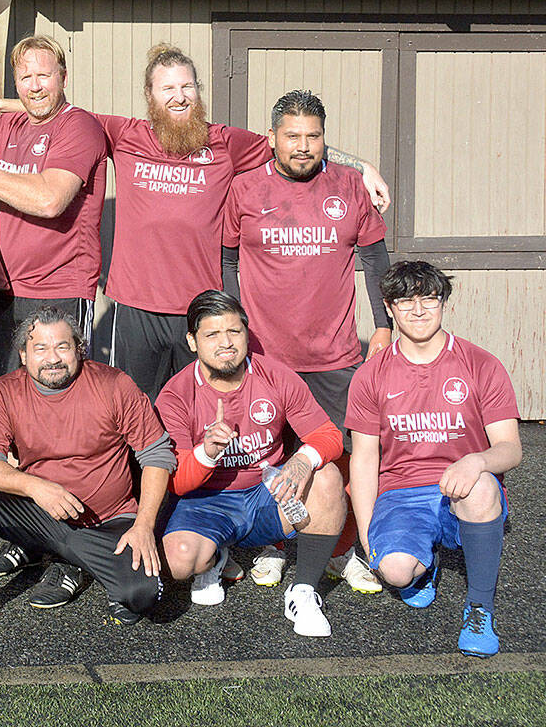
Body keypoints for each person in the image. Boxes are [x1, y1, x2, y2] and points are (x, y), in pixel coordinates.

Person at [52, 44, 387, 402]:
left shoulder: (225, 142)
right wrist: (11, 105)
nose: (180, 97)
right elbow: (63, 114)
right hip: (136, 308)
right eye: (168, 88)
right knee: (134, 409)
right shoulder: (123, 134)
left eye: (188, 87)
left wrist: (360, 167)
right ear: (149, 95)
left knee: (201, 408)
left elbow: (290, 145)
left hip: (202, 310)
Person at [222, 90, 390, 594]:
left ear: (324, 139)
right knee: (269, 453)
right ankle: (273, 544)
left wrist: (382, 324)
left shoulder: (349, 187)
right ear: (272, 137)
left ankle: (342, 550)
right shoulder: (245, 189)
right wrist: (236, 329)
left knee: (336, 452)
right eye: (291, 136)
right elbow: (227, 261)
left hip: (333, 354)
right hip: (266, 354)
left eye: (312, 136)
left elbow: (376, 260)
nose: (302, 146)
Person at [0, 307, 172, 637]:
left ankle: (65, 559)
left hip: (109, 522)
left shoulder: (114, 385)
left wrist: (144, 525)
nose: (52, 358)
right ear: (24, 355)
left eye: (62, 347)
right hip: (40, 514)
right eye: (40, 348)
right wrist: (36, 487)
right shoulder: (4, 391)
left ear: (79, 350)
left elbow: (156, 455)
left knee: (140, 596)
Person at [346, 262, 521, 657]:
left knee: (479, 489)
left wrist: (476, 461)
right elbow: (364, 457)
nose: (419, 310)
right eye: (406, 301)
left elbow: (511, 448)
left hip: (461, 488)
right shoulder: (371, 375)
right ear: (389, 307)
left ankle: (479, 609)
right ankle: (425, 566)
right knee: (394, 570)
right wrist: (365, 529)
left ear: (444, 303)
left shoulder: (480, 363)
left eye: (429, 299)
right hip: (401, 493)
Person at [0, 35, 109, 429]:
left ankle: (56, 486)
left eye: (44, 75)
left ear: (63, 77)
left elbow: (50, 199)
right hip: (5, 288)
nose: (35, 85)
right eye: (26, 77)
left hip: (58, 290)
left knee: (54, 402)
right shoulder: (11, 125)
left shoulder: (79, 127)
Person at [156, 291, 347, 637]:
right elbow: (178, 482)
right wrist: (207, 452)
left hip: (265, 494)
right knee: (179, 562)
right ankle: (214, 558)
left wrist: (303, 459)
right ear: (192, 341)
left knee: (327, 476)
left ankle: (304, 590)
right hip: (206, 501)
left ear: (247, 334)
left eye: (234, 332)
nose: (226, 343)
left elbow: (329, 435)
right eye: (212, 335)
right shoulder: (175, 393)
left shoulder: (275, 375)